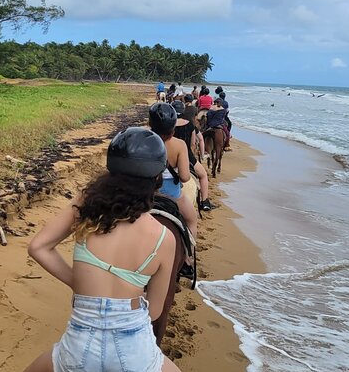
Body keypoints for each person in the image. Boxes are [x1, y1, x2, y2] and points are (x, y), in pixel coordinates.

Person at [25, 127, 181, 372]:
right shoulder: (165, 237)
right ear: (157, 178)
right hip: (134, 349)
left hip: (80, 343)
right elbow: (154, 312)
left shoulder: (86, 206)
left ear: (111, 170)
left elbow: (38, 247)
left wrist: (78, 283)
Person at [148, 103, 198, 239]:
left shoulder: (144, 140)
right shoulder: (180, 145)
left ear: (149, 123)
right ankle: (188, 257)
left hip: (146, 193)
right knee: (192, 220)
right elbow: (185, 177)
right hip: (173, 196)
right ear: (173, 128)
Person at [172, 100, 213, 211]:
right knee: (203, 175)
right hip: (187, 155)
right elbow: (193, 143)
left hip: (169, 154)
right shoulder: (189, 124)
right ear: (183, 111)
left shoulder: (168, 123)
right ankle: (205, 202)